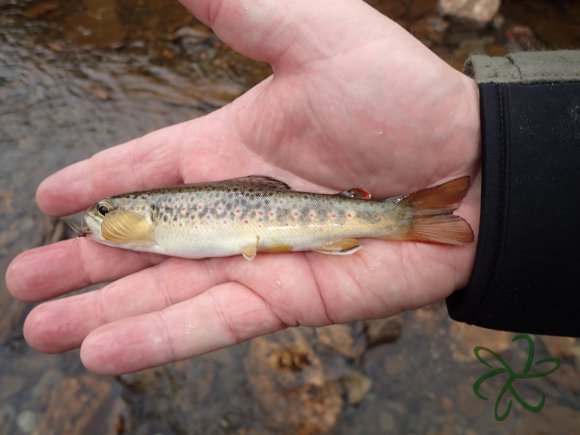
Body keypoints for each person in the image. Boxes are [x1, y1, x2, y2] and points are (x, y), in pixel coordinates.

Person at [5, 0, 580, 376]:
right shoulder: (144, 227)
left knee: (386, 217)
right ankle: (402, 218)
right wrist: (511, 157)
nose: (95, 220)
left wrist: (487, 141)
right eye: (100, 214)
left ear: (133, 214)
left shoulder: (145, 221)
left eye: (104, 212)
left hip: (314, 216)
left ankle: (400, 218)